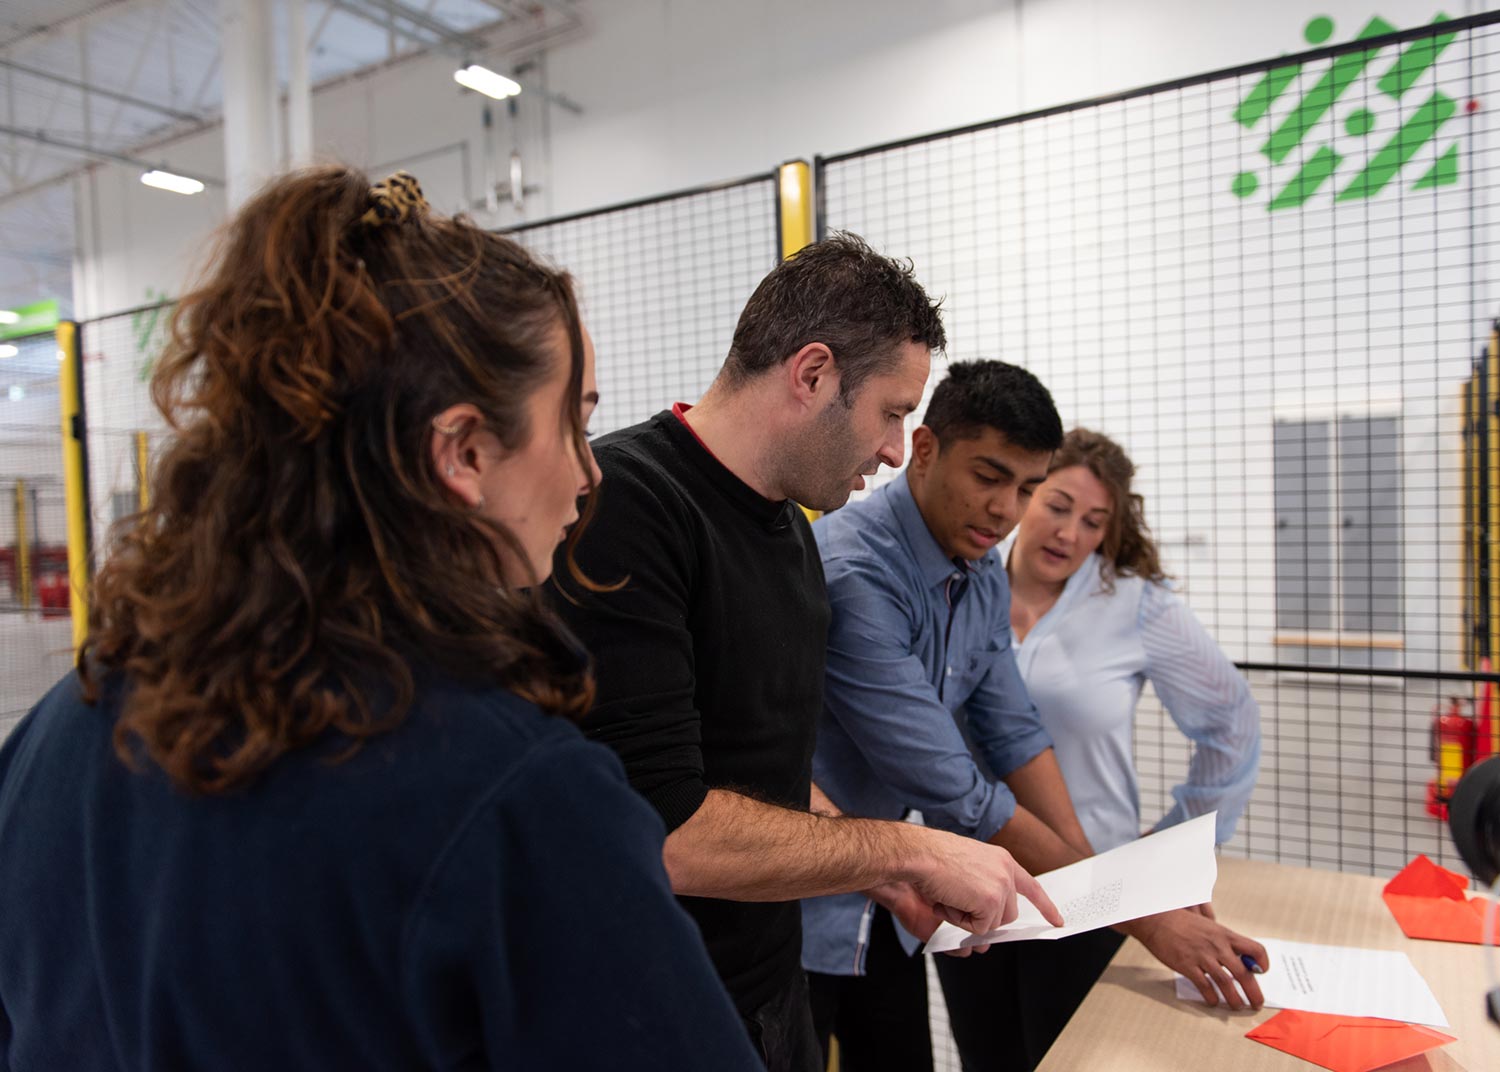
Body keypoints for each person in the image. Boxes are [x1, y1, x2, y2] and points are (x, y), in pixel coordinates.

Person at [0, 167, 765, 1071]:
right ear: (465, 451)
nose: (589, 474)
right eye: (572, 423)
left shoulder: (59, 733)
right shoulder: (512, 793)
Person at [549, 235, 1059, 1072]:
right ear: (813, 373)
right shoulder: (628, 507)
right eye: (893, 412)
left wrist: (884, 880)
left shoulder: (788, 522)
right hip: (659, 1008)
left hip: (769, 987)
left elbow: (761, 770)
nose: (898, 450)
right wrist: (910, 848)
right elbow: (664, 827)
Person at [803, 361, 1268, 1072]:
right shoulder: (858, 570)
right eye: (990, 478)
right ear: (923, 449)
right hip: (798, 909)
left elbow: (1013, 731)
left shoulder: (980, 569)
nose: (1006, 510)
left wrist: (1101, 888)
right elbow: (954, 786)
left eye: (1024, 488)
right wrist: (1138, 913)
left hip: (893, 911)